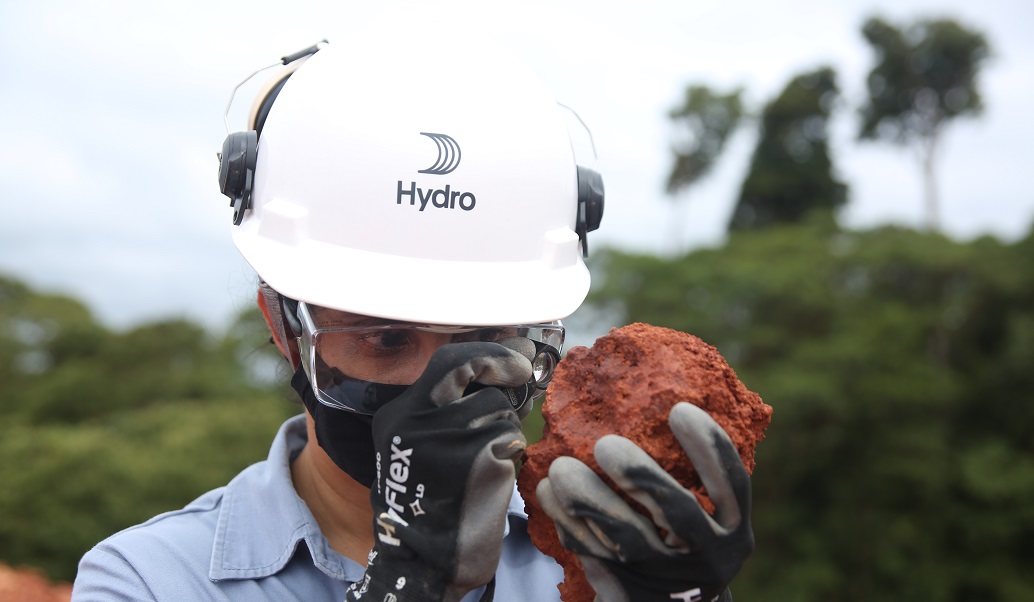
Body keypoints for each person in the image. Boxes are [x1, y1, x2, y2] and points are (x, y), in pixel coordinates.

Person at [72, 20, 754, 602]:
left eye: (488, 340)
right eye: (386, 337)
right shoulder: (152, 579)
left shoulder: (592, 556)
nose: (443, 384)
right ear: (282, 327)